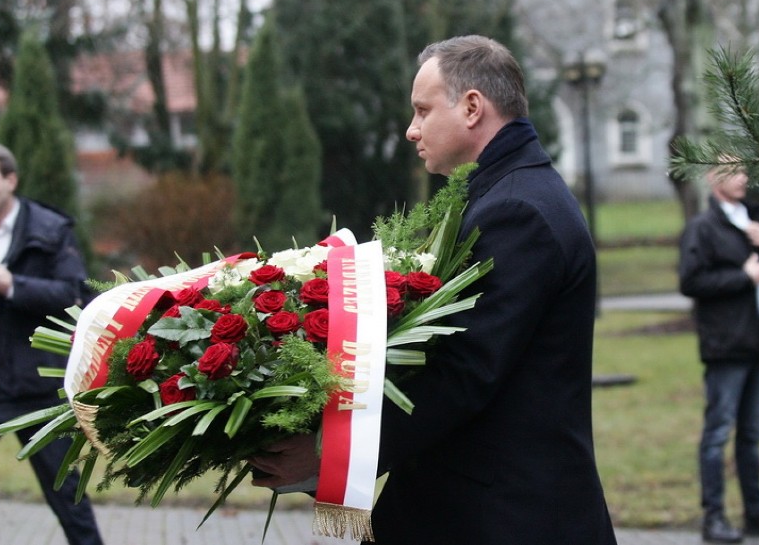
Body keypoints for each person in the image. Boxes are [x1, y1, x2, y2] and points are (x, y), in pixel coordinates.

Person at [249, 35, 617, 544]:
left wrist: (326, 452)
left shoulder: (517, 212)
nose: (410, 129)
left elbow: (464, 372)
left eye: (422, 111)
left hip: (505, 516)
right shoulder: (508, 194)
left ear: (471, 108)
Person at [0, 143, 103, 545]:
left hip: (31, 386)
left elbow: (76, 296)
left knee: (69, 499)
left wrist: (13, 285)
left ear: (10, 180)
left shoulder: (50, 230)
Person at [679, 160, 759, 543]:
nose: (744, 178)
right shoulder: (704, 228)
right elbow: (691, 280)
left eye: (745, 172)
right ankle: (714, 517)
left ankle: (756, 514)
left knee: (751, 435)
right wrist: (742, 277)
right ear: (714, 179)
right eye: (734, 172)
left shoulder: (755, 222)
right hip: (726, 345)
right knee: (718, 433)